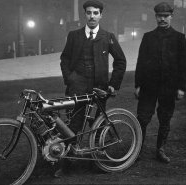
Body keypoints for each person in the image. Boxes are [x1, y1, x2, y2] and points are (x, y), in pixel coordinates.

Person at [56, 0, 127, 177]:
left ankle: (98, 161)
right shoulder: (74, 35)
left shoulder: (108, 36)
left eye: (96, 13)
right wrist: (70, 79)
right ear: (85, 15)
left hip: (99, 90)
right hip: (76, 89)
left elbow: (120, 61)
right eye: (89, 12)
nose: (92, 16)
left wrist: (113, 85)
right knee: (72, 126)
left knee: (98, 126)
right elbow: (64, 59)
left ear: (101, 15)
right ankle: (67, 164)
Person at [134, 2, 186, 163]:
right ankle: (136, 150)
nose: (162, 19)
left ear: (171, 17)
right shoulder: (148, 37)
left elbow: (183, 64)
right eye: (159, 16)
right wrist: (138, 85)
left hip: (169, 87)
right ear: (155, 17)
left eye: (165, 16)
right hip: (148, 87)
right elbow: (140, 62)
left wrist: (181, 87)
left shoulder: (179, 38)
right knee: (143, 118)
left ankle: (160, 149)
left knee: (165, 119)